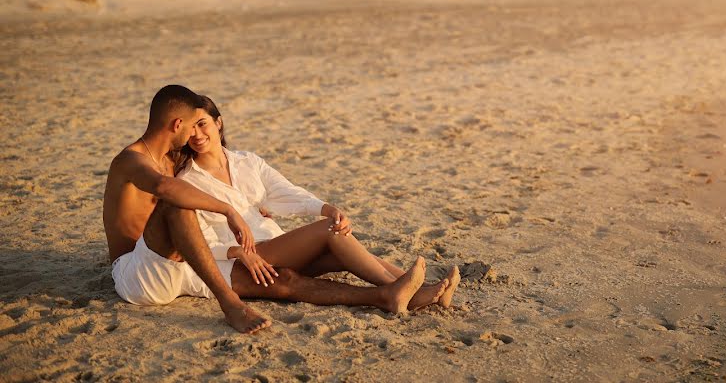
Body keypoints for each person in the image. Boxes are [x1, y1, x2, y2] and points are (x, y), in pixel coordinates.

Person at [104, 85, 428, 336]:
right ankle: (230, 306)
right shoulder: (133, 159)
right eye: (192, 127)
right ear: (179, 124)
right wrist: (229, 213)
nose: (195, 136)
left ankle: (404, 292)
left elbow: (265, 190)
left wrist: (255, 211)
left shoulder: (173, 160)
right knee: (178, 204)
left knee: (300, 270)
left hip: (182, 264)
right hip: (137, 271)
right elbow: (166, 191)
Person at [174, 95, 461, 310]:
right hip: (248, 260)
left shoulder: (246, 161)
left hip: (275, 244)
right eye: (191, 129)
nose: (198, 135)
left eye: (203, 124)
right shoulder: (187, 181)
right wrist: (237, 251)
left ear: (218, 122)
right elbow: (195, 240)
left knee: (338, 245)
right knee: (327, 231)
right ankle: (403, 290)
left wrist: (326, 208)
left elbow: (284, 191)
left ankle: (420, 291)